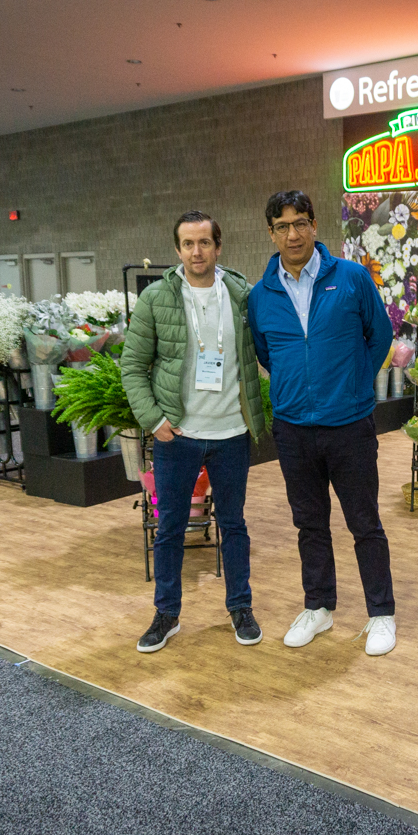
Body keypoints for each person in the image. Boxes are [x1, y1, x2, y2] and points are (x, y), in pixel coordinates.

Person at [247, 190, 397, 656]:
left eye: (300, 223)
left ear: (314, 225)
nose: (292, 234)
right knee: (309, 524)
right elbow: (267, 353)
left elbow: (380, 336)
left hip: (349, 425)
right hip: (293, 429)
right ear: (271, 234)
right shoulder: (261, 295)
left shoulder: (351, 277)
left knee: (364, 523)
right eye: (282, 226)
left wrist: (353, 384)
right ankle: (319, 607)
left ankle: (381, 613)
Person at [121, 210, 266, 652]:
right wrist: (154, 420)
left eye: (204, 242)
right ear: (177, 249)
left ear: (218, 247)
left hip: (231, 432)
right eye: (188, 244)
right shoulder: (156, 298)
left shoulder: (241, 294)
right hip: (177, 436)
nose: (196, 251)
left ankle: (240, 607)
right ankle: (166, 614)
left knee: (234, 524)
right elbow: (132, 366)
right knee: (170, 528)